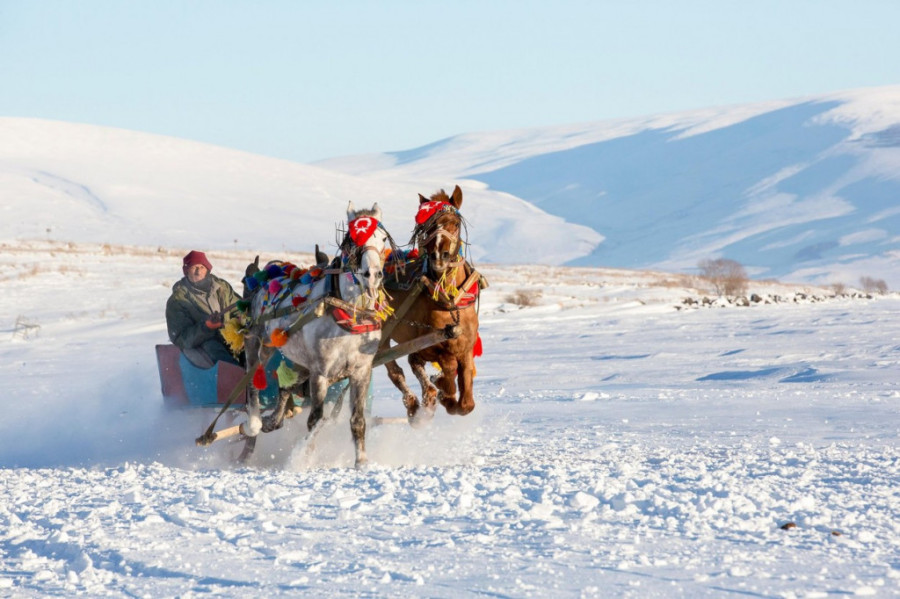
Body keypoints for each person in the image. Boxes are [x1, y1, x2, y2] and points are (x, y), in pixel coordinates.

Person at [166, 250, 241, 368]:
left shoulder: (222, 288)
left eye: (202, 267)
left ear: (207, 269)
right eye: (194, 267)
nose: (198, 271)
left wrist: (241, 318)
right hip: (202, 344)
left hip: (229, 335)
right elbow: (180, 338)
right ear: (186, 271)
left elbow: (239, 307)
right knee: (217, 353)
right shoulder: (177, 301)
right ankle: (237, 380)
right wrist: (206, 327)